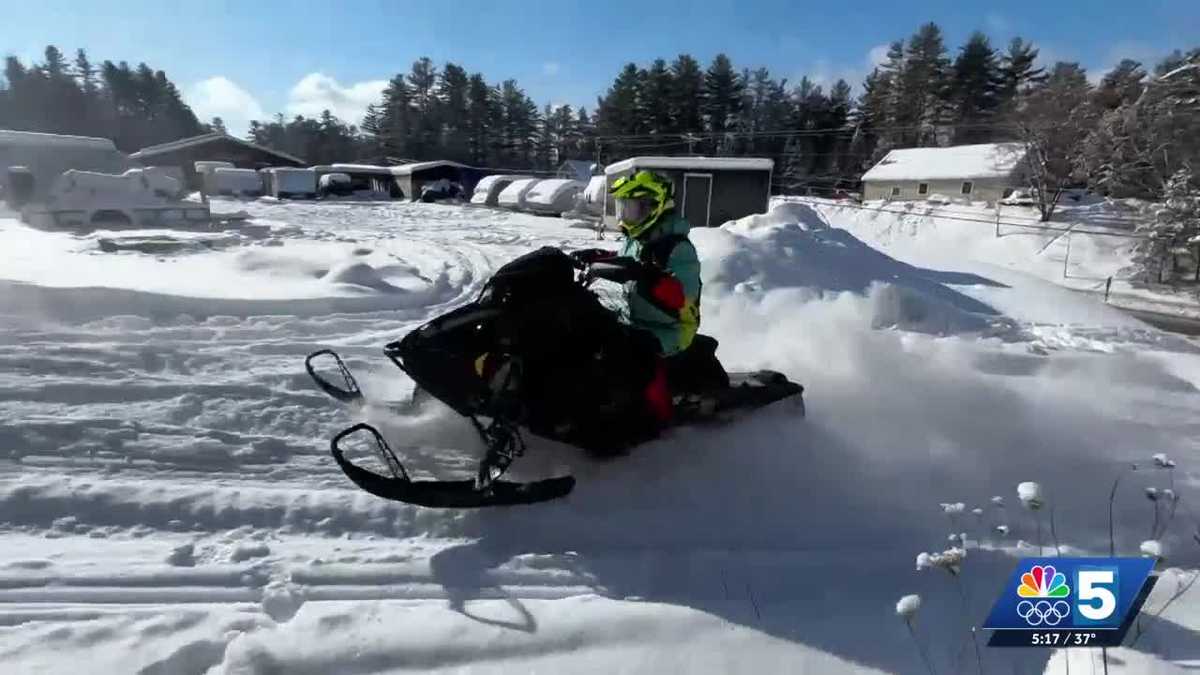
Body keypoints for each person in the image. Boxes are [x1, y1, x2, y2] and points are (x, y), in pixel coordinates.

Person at [571, 170, 726, 425]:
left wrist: (647, 277)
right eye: (623, 208)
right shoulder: (637, 239)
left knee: (635, 357)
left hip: (670, 329)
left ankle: (656, 418)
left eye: (632, 209)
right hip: (634, 320)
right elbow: (628, 261)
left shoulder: (677, 248)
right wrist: (598, 256)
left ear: (654, 207)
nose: (625, 216)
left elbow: (681, 298)